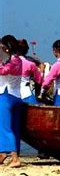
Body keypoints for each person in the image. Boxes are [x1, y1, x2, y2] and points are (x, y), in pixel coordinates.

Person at [0, 35, 23, 167]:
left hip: (6, 95)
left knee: (5, 128)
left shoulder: (12, 61)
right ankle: (3, 154)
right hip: (16, 95)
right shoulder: (17, 60)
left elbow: (4, 71)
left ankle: (15, 158)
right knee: (12, 128)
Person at [17, 39, 44, 104]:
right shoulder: (31, 63)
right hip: (26, 93)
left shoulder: (7, 63)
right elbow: (39, 80)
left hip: (10, 94)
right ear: (26, 50)